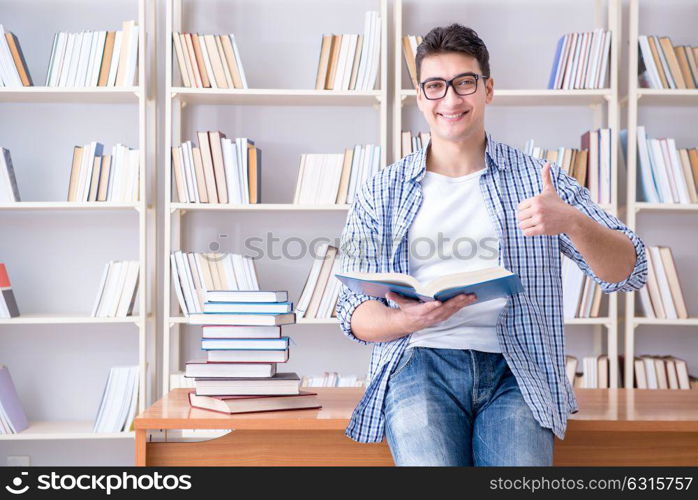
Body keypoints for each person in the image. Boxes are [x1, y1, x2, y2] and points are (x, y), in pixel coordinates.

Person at [335, 23, 648, 466]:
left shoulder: (539, 181)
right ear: (420, 97)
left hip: (517, 370)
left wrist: (574, 223)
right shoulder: (382, 190)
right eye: (435, 86)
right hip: (420, 363)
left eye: (465, 83)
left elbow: (628, 271)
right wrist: (409, 319)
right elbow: (352, 313)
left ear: (488, 89)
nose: (450, 99)